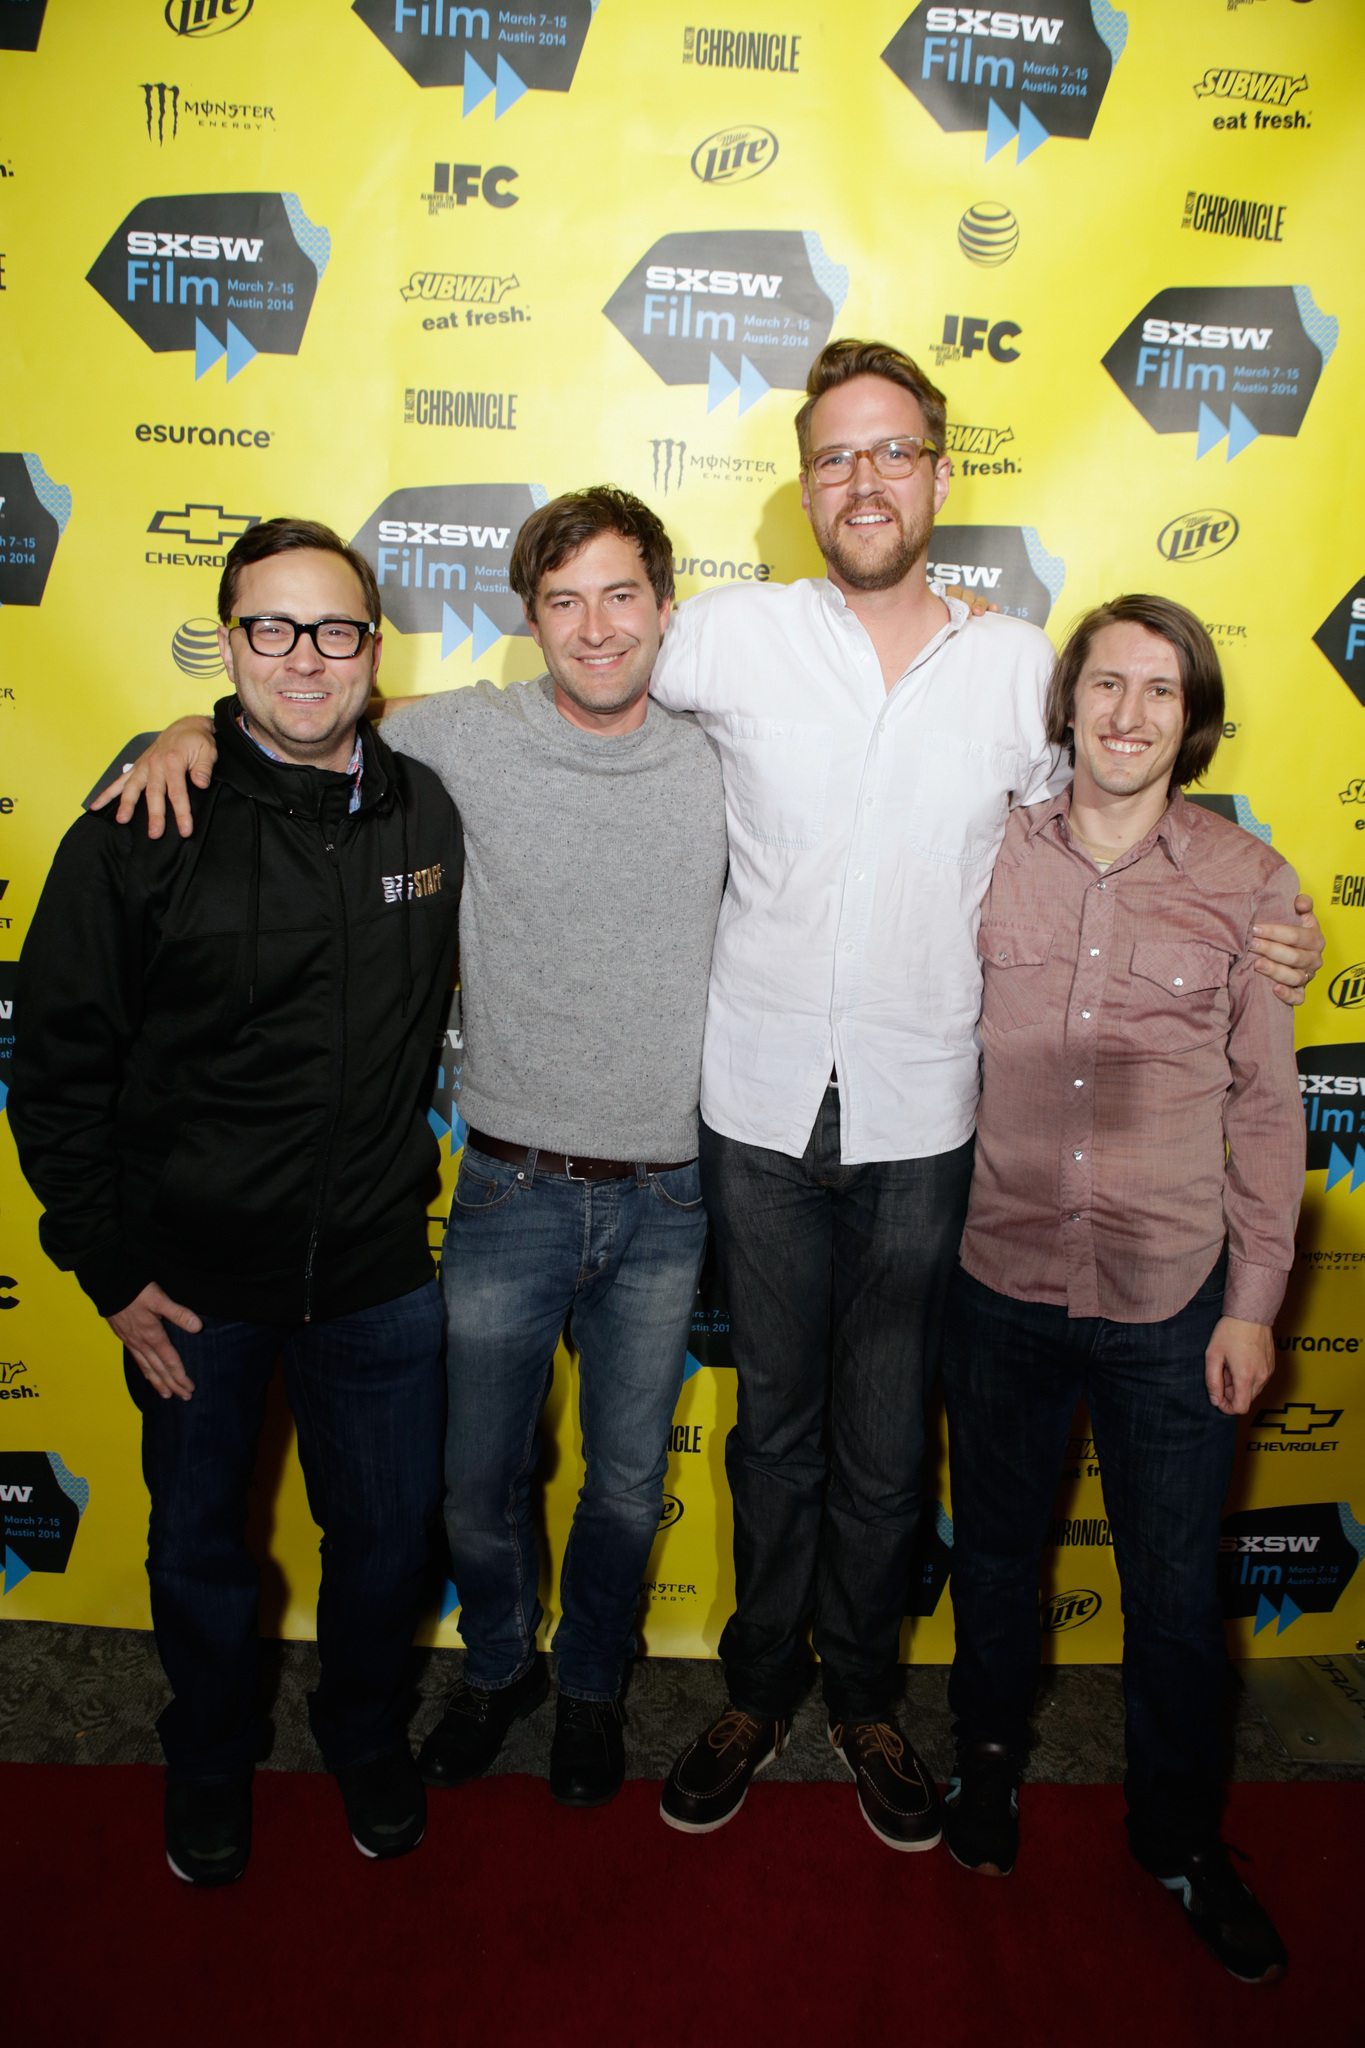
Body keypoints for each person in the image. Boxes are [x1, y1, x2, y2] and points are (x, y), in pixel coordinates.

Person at [649, 340, 1322, 1850]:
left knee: (890, 1441)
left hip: (922, 1119)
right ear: (803, 483)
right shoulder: (728, 635)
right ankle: (758, 1688)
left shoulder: (1025, 665)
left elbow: (1127, 798)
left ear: (940, 477)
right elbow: (574, 681)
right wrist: (205, 730)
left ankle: (874, 1704)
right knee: (772, 1429)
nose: (863, 480)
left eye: (891, 453)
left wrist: (1264, 914)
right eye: (834, 456)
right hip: (753, 1101)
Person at [100, 488, 729, 1811]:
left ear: (666, 608)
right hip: (503, 1189)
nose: (596, 627)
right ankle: (497, 1666)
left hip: (671, 1201)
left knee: (623, 1491)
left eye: (622, 596)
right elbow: (298, 710)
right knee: (473, 1487)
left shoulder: (728, 748)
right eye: (563, 600)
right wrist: (183, 731)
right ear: (528, 620)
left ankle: (597, 1690)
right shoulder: (465, 739)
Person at [10, 519, 464, 1884]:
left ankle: (362, 1733)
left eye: (334, 630)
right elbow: (54, 1064)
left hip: (380, 1276)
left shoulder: (428, 810)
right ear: (227, 642)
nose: (303, 658)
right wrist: (104, 1263)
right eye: (271, 627)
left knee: (386, 1550)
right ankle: (206, 1760)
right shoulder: (143, 822)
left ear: (373, 653)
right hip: (196, 1287)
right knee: (201, 1555)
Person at [939, 596, 1300, 1984]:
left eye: (1159, 691)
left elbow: (1268, 1111)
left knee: (1166, 1590)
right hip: (998, 1278)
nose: (1127, 713)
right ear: (1066, 702)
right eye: (1104, 684)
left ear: (1189, 720)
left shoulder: (1250, 884)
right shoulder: (987, 859)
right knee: (993, 1561)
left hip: (1171, 1297)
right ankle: (987, 1766)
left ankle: (1179, 1838)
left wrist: (1254, 1302)